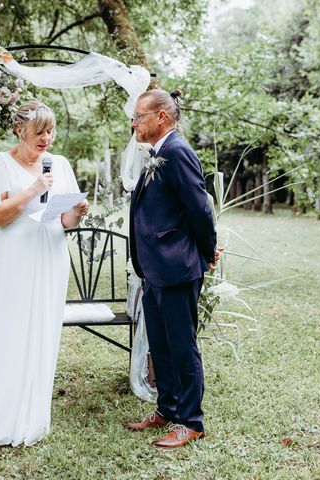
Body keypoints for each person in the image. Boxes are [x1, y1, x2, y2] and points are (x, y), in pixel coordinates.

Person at [0, 100, 89, 447]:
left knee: (42, 330)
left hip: (51, 255)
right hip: (15, 258)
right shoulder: (2, 162)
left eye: (50, 131)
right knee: (10, 330)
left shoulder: (60, 164)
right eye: (39, 132)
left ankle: (32, 414)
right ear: (20, 130)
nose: (46, 138)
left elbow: (64, 220)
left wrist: (77, 213)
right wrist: (32, 190)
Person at [126, 89, 222, 449]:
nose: (134, 123)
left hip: (178, 267)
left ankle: (190, 421)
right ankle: (166, 409)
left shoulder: (177, 152)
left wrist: (208, 251)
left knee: (182, 346)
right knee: (161, 345)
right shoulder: (158, 152)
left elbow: (200, 209)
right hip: (156, 268)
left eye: (139, 116)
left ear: (161, 117)